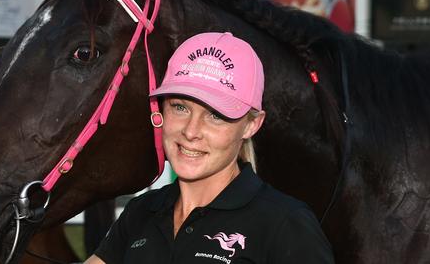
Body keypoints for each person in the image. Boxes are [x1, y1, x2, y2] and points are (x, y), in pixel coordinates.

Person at [86, 32, 334, 263]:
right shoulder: (141, 212)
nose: (191, 131)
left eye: (215, 115)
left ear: (252, 125)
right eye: (180, 107)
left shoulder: (285, 224)